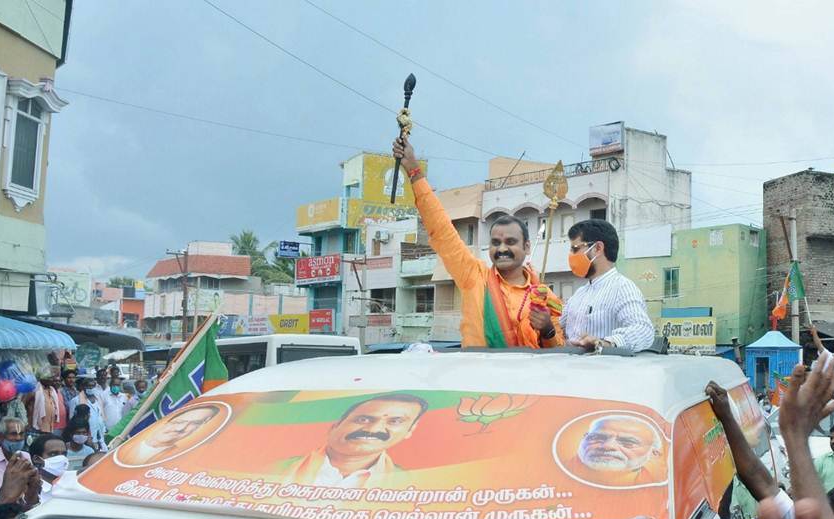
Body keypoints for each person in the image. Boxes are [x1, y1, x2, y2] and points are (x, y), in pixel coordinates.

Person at [393, 140, 563, 349]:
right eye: (495, 243)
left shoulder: (544, 297)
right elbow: (441, 230)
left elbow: (561, 353)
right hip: (477, 369)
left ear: (527, 247)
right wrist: (414, 171)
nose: (502, 249)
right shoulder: (474, 277)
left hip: (526, 371)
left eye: (510, 242)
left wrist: (548, 329)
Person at [274, 394, 427, 487]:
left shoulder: (411, 485)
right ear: (336, 425)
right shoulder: (274, 470)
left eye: (395, 421)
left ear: (410, 430)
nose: (374, 429)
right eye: (363, 419)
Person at [560, 219, 656, 352]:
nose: (571, 255)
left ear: (597, 248)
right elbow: (558, 327)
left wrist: (604, 344)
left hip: (603, 365)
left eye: (575, 249)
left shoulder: (622, 288)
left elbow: (643, 330)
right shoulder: (579, 294)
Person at [562, 415, 666, 486]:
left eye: (627, 442)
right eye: (597, 438)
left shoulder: (658, 491)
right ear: (583, 439)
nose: (607, 446)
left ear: (654, 453)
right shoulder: (555, 475)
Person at [116, 404, 222, 465]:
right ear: (164, 420)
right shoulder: (123, 447)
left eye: (195, 424)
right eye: (178, 422)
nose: (181, 428)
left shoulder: (182, 458)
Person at [0, 417, 29, 497]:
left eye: (21, 434)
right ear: (0, 437)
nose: (18, 438)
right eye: (13, 434)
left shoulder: (26, 456)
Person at [30, 368, 65, 436]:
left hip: (49, 428)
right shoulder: (34, 390)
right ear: (41, 378)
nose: (51, 380)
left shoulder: (52, 391)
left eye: (52, 377)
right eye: (49, 377)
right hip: (37, 428)